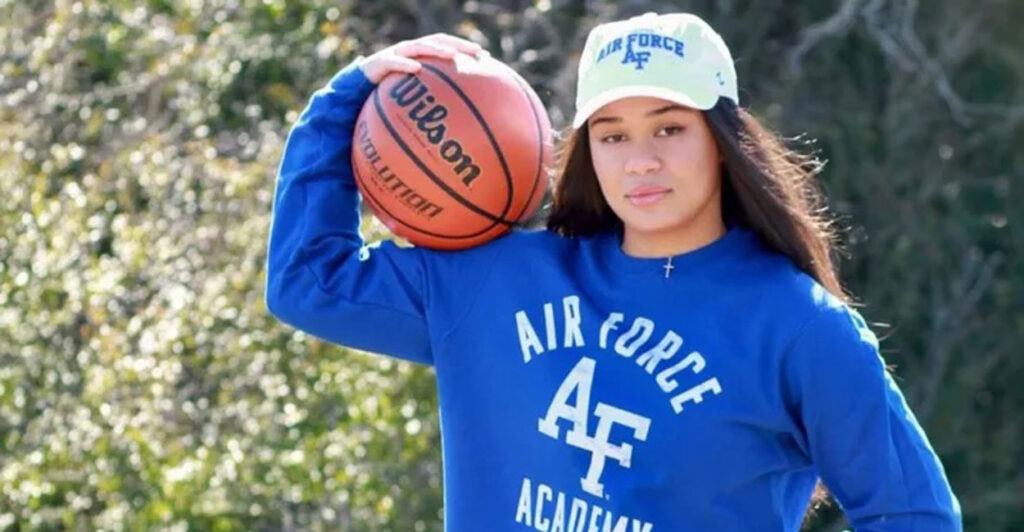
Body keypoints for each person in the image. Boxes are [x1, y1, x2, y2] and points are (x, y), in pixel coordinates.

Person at [264, 12, 962, 532]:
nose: (641, 161)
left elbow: (914, 514)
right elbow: (308, 280)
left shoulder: (799, 328)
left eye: (669, 127)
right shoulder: (496, 280)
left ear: (722, 140)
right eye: (613, 134)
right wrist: (348, 99)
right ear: (586, 149)